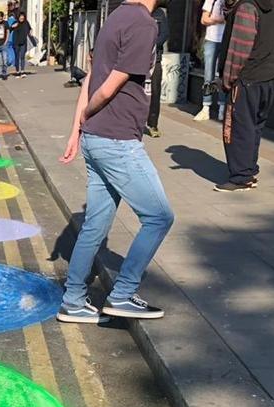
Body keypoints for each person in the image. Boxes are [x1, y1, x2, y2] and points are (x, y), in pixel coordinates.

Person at [57, 0, 174, 323]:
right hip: (117, 141)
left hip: (97, 139)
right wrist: (87, 113)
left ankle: (73, 301)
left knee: (94, 225)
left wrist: (77, 130)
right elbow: (107, 87)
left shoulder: (115, 18)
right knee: (159, 217)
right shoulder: (142, 23)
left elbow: (90, 76)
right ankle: (122, 295)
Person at [217, 0, 274, 191]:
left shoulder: (246, 7)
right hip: (267, 77)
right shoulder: (270, 4)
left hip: (247, 78)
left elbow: (239, 50)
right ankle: (249, 169)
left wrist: (228, 80)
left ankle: (241, 177)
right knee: (253, 127)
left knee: (238, 128)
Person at [145, 0, 168, 137]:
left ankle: (153, 124)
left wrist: (151, 45)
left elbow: (165, 34)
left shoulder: (160, 14)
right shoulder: (137, 12)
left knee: (155, 91)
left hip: (155, 58)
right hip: (136, 58)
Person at [200, 0, 226, 119]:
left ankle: (222, 107)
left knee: (222, 75)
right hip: (211, 39)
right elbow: (204, 19)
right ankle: (206, 106)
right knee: (208, 74)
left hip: (226, 40)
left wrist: (213, 19)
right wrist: (220, 19)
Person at [10, 12, 33, 77]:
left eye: (23, 16)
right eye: (20, 16)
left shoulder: (26, 23)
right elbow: (9, 29)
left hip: (23, 42)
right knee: (17, 57)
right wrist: (12, 26)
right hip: (16, 42)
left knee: (22, 56)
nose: (21, 18)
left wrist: (30, 31)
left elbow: (30, 29)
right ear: (18, 17)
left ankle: (22, 71)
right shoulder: (15, 22)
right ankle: (17, 72)